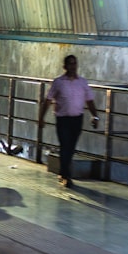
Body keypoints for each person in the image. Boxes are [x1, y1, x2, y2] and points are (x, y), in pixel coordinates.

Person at [38, 55, 99, 188]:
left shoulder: (82, 82)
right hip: (63, 118)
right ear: (65, 66)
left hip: (77, 118)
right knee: (65, 145)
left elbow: (89, 100)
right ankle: (66, 175)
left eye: (74, 64)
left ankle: (63, 172)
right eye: (70, 64)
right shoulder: (58, 82)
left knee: (70, 147)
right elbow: (48, 100)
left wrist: (95, 116)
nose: (73, 67)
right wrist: (41, 117)